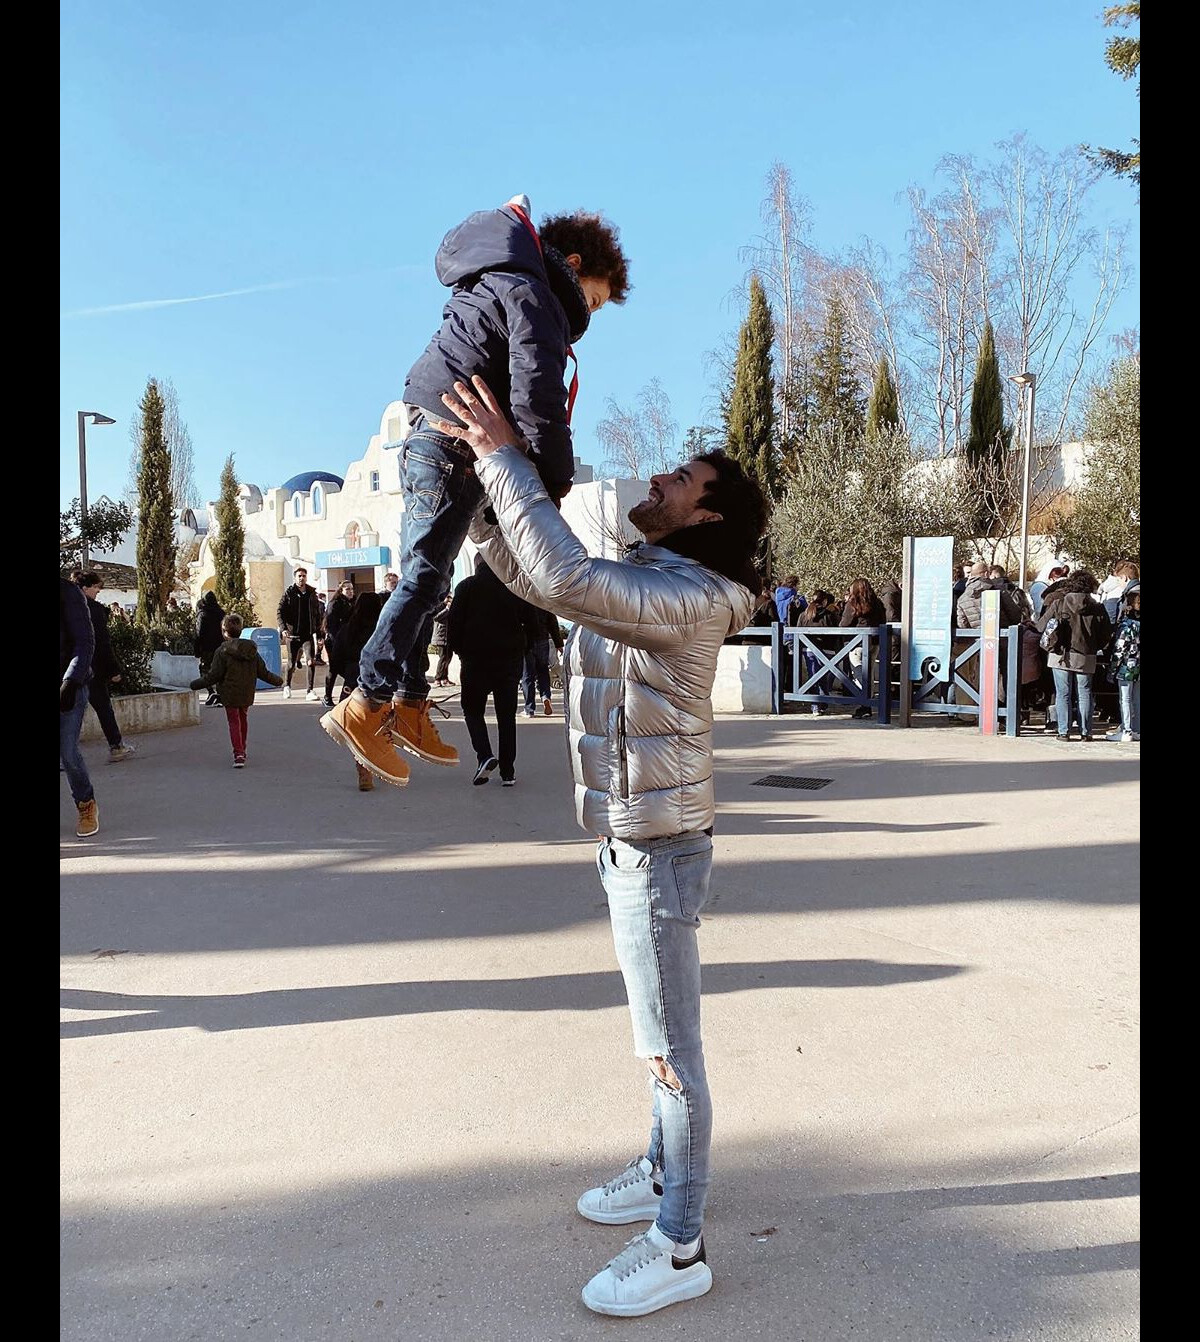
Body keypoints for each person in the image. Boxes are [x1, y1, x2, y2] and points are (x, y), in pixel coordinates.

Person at [436, 372, 764, 1318]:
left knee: (670, 1051)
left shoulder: (693, 593)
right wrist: (487, 512)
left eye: (680, 481)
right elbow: (543, 577)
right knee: (657, 1038)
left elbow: (570, 581)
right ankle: (663, 1169)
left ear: (706, 519)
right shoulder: (652, 573)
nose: (656, 483)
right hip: (630, 833)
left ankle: (680, 1243)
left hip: (656, 844)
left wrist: (507, 462)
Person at [322, 196, 631, 786]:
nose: (588, 317)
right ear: (571, 264)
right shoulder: (535, 297)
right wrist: (553, 480)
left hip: (436, 436)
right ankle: (367, 703)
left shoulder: (501, 279)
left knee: (427, 577)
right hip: (453, 447)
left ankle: (409, 705)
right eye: (591, 299)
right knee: (426, 578)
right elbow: (536, 399)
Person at [447, 553, 540, 784]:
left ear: (477, 565)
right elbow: (534, 624)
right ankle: (508, 772)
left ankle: (485, 756)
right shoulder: (515, 588)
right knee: (506, 717)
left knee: (473, 711)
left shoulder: (466, 587)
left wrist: (460, 652)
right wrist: (522, 648)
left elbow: (454, 625)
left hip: (475, 661)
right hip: (508, 661)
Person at [189, 614, 283, 767]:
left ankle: (238, 753)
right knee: (243, 718)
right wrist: (278, 681)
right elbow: (263, 672)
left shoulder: (222, 651)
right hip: (246, 691)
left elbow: (214, 675)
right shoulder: (252, 650)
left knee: (233, 721)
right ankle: (242, 749)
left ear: (224, 632)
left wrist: (195, 684)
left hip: (229, 692)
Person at [1036, 570, 1112, 742]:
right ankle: (1087, 732)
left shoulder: (1058, 603)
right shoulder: (1098, 608)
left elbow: (1041, 626)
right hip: (1086, 655)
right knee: (1085, 693)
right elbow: (1107, 634)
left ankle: (1064, 731)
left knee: (1063, 693)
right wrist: (1094, 646)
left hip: (1060, 654)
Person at [327, 593, 388, 790]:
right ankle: (375, 764)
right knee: (377, 727)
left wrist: (348, 673)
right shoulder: (383, 631)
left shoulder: (348, 630)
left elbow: (335, 660)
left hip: (353, 684)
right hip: (380, 684)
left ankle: (364, 771)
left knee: (359, 730)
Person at [74, 572, 136, 763]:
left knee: (69, 711)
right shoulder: (93, 610)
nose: (98, 591)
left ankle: (65, 754)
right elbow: (102, 643)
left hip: (69, 668)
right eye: (96, 587)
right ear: (85, 588)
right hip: (92, 669)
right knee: (103, 708)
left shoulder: (67, 607)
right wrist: (113, 670)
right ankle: (116, 746)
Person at [61, 576, 99, 837]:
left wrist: (71, 680)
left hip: (70, 686)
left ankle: (86, 803)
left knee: (67, 751)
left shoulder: (69, 594)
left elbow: (85, 642)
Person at [839, 578, 887, 719]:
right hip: (875, 642)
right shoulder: (877, 603)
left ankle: (864, 703)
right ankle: (866, 705)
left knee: (858, 673)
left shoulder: (853, 603)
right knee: (869, 672)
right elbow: (883, 621)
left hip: (856, 643)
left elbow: (844, 624)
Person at [277, 566, 323, 701]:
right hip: (292, 635)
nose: (302, 578)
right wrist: (283, 628)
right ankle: (287, 686)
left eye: (304, 576)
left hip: (307, 635)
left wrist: (319, 635)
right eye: (299, 576)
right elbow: (280, 612)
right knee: (291, 663)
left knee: (310, 661)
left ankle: (310, 690)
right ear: (295, 578)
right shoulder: (289, 593)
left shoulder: (311, 593)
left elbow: (317, 614)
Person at [1105, 581, 1140, 743]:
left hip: (1126, 666)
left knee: (1125, 699)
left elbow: (1119, 650)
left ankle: (1127, 729)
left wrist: (1112, 670)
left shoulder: (1127, 625)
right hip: (1139, 666)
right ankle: (1137, 728)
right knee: (1137, 699)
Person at [797, 589, 841, 715]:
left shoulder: (804, 614)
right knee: (824, 678)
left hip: (808, 649)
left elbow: (798, 631)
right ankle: (822, 702)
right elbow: (836, 633)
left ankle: (816, 704)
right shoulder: (829, 615)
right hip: (827, 650)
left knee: (814, 676)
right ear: (825, 601)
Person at [522, 605, 562, 717]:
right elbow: (553, 622)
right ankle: (545, 697)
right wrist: (558, 643)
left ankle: (529, 709)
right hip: (543, 639)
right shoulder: (542, 600)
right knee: (543, 671)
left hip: (527, 641)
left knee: (527, 675)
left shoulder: (523, 598)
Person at [322, 580, 357, 706]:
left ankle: (347, 695)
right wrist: (338, 642)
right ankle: (328, 696)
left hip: (349, 642)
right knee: (334, 669)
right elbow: (331, 626)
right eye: (347, 589)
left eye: (352, 589)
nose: (350, 592)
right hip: (334, 642)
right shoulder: (335, 604)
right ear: (341, 590)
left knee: (349, 670)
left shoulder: (353, 603)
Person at [194, 590, 226, 706]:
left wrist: (197, 649)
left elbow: (199, 633)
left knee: (205, 670)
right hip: (220, 648)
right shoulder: (221, 613)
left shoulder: (202, 614)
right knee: (220, 670)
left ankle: (211, 692)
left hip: (207, 649)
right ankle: (219, 694)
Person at [429, 593, 455, 687]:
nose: (449, 600)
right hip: (440, 636)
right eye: (447, 597)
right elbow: (436, 617)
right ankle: (438, 678)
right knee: (443, 658)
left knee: (448, 657)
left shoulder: (451, 607)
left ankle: (444, 678)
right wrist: (447, 609)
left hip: (448, 636)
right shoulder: (439, 606)